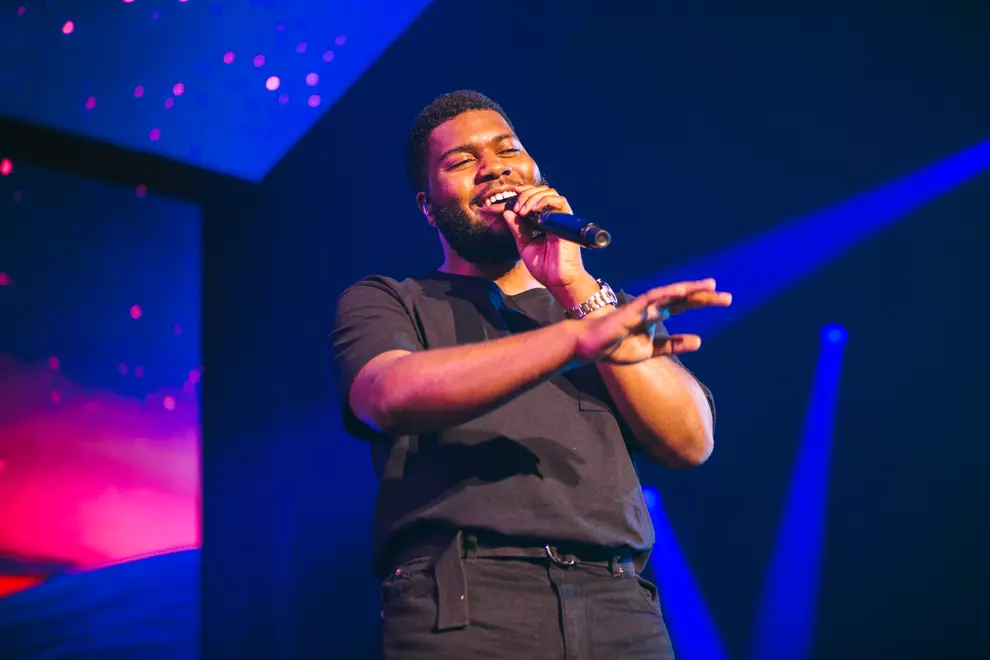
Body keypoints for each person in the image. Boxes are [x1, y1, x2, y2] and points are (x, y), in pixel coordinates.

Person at [330, 90, 731, 659]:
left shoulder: (605, 311)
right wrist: (575, 340)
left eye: (508, 150)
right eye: (462, 161)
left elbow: (691, 441)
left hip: (621, 608)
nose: (493, 167)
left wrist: (575, 289)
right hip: (466, 606)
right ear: (427, 206)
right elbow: (387, 395)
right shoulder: (391, 300)